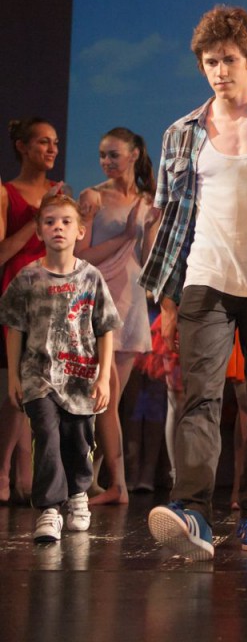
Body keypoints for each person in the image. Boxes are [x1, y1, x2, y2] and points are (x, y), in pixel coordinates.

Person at [141, 5, 247, 560]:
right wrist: (166, 298)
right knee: (200, 399)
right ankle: (193, 511)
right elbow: (171, 220)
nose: (219, 70)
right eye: (210, 61)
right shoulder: (181, 133)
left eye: (229, 59)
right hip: (205, 280)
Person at [0, 194, 121, 543]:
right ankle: (49, 509)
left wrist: (103, 377)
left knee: (78, 439)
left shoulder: (90, 277)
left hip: (80, 379)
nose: (58, 228)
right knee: (46, 435)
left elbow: (106, 328)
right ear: (39, 230)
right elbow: (14, 328)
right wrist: (13, 376)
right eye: (50, 221)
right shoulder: (28, 277)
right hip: (39, 377)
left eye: (66, 222)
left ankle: (78, 492)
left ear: (80, 230)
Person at [75, 128, 159, 505]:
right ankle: (111, 484)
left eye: (113, 154)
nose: (106, 162)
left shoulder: (146, 201)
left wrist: (150, 227)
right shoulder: (92, 196)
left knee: (110, 399)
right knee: (101, 396)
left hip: (131, 301)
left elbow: (148, 261)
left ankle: (98, 480)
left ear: (134, 154)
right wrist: (125, 235)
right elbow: (81, 256)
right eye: (102, 155)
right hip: (97, 300)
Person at [0, 118, 66, 504]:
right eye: (43, 142)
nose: (52, 149)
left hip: (52, 295)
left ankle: (26, 475)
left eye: (55, 142)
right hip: (18, 295)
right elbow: (3, 252)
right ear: (23, 147)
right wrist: (37, 216)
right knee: (19, 387)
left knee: (40, 389)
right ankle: (5, 470)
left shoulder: (59, 192)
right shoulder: (6, 193)